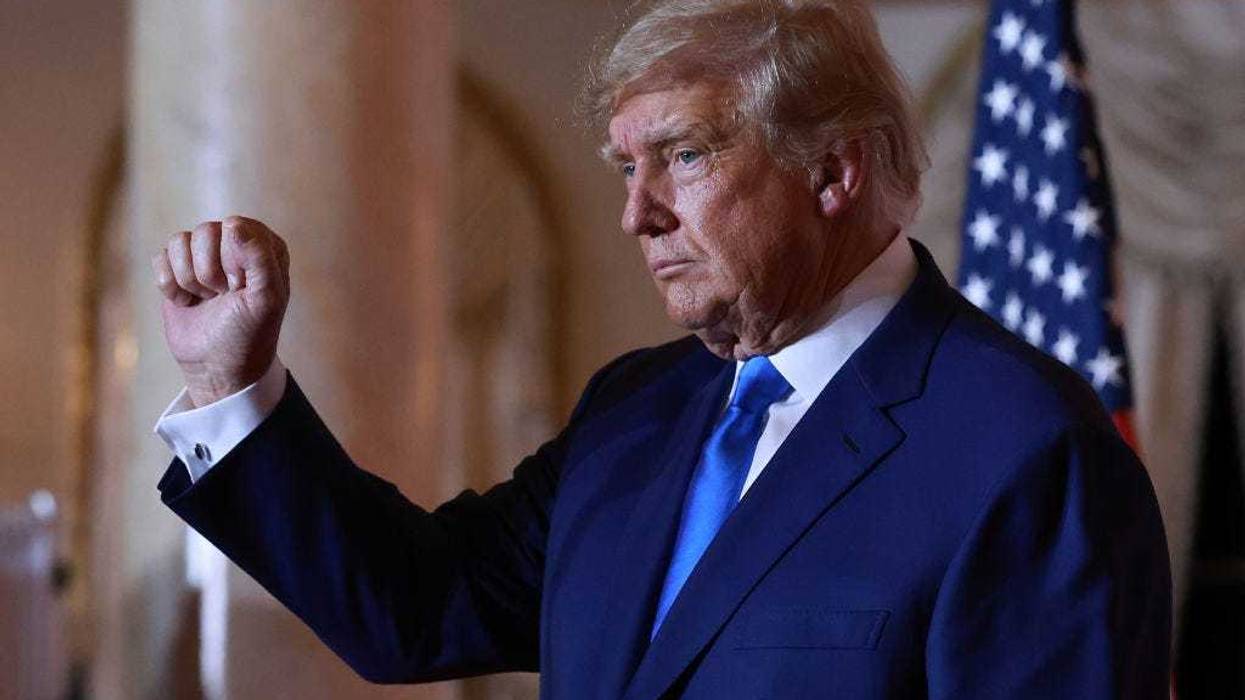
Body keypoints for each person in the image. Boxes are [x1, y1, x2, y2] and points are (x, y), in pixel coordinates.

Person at [151, 1, 1171, 697]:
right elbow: (417, 608)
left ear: (835, 171)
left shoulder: (1024, 450)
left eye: (684, 156)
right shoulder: (633, 412)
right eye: (626, 167)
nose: (636, 213)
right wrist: (232, 384)